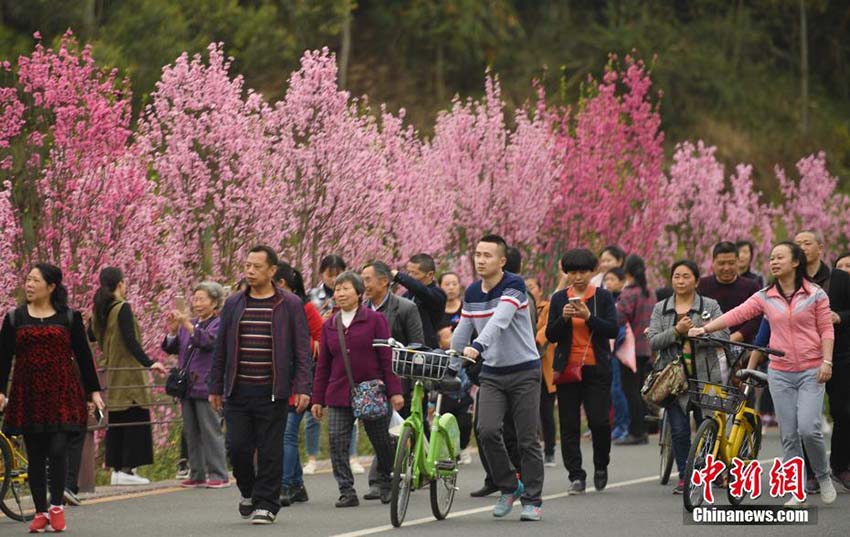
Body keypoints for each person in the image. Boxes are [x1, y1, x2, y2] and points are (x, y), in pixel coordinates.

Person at [690, 241, 837, 507]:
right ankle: (798, 491)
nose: (774, 262)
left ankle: (823, 475)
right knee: (789, 434)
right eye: (771, 258)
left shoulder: (816, 294)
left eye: (780, 257)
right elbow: (737, 314)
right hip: (780, 372)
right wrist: (705, 329)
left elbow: (827, 329)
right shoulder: (766, 296)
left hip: (811, 370)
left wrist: (827, 361)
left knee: (809, 428)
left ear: (795, 262)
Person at [208, 246, 313, 525]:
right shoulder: (233, 303)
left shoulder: (289, 304)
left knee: (269, 449)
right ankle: (249, 491)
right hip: (238, 390)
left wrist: (303, 386)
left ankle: (267, 503)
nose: (250, 271)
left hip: (273, 390)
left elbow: (302, 349)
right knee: (237, 447)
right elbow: (221, 348)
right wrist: (215, 386)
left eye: (257, 266)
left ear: (272, 271)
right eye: (248, 265)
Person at [0, 264, 105, 533]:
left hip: (62, 392)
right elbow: (2, 360)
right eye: (28, 280)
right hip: (29, 393)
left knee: (58, 448)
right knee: (35, 454)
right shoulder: (14, 319)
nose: (29, 285)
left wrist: (93, 391)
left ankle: (56, 505)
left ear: (51, 286)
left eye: (36, 280)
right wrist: (0, 391)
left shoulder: (69, 318)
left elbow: (83, 356)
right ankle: (40, 512)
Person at [451, 234, 544, 521]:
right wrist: (450, 363)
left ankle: (532, 500)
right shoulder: (472, 293)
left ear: (502, 261)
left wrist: (477, 348)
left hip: (525, 371)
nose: (480, 260)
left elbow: (499, 321)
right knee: (487, 431)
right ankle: (509, 486)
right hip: (492, 373)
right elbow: (463, 331)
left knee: (527, 439)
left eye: (487, 255)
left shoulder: (514, 285)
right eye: (477, 254)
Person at [310, 271, 403, 508]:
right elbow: (323, 366)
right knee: (337, 441)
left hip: (372, 392)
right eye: (337, 289)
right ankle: (346, 490)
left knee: (381, 440)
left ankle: (385, 481)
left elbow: (386, 358)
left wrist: (395, 391)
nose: (340, 293)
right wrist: (317, 399)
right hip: (340, 393)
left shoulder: (375, 320)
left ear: (359, 293)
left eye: (346, 289)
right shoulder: (330, 325)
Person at [647, 260, 727, 494]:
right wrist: (676, 332)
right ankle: (685, 476)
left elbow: (723, 332)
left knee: (708, 426)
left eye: (686, 277)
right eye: (676, 277)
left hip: (705, 377)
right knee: (680, 431)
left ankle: (705, 472)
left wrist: (700, 332)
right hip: (673, 381)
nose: (680, 281)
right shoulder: (661, 308)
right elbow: (653, 341)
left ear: (696, 280)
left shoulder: (710, 305)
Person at [546, 248, 619, 495]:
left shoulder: (602, 297)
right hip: (567, 370)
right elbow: (550, 335)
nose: (577, 277)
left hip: (596, 369)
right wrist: (563, 319)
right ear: (566, 273)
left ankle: (601, 464)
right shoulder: (558, 299)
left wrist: (588, 317)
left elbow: (611, 330)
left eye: (583, 272)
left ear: (592, 272)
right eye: (573, 272)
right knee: (568, 425)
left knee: (599, 421)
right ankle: (576, 475)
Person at [90, 267, 167, 486]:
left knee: (119, 418)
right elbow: (131, 341)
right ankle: (127, 468)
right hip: (130, 375)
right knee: (135, 417)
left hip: (114, 374)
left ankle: (117, 470)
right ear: (121, 284)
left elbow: (90, 335)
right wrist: (151, 362)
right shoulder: (122, 308)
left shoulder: (100, 311)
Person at [360, 261, 424, 499]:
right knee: (380, 430)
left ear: (384, 281)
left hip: (399, 379)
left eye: (368, 279)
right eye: (362, 279)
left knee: (393, 430)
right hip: (369, 381)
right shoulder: (361, 311)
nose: (364, 284)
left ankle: (384, 479)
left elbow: (416, 345)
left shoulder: (405, 308)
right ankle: (385, 478)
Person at [162, 282, 229, 489]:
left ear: (215, 302)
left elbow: (208, 342)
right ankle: (197, 473)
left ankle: (218, 473)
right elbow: (172, 348)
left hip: (207, 384)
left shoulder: (219, 324)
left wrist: (188, 326)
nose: (197, 303)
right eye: (195, 299)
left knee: (210, 430)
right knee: (191, 431)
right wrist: (173, 331)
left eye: (202, 299)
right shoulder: (188, 324)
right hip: (187, 386)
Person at [305, 254, 360, 474]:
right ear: (321, 274)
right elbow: (305, 327)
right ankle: (311, 458)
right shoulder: (312, 296)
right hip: (318, 357)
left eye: (339, 275)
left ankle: (353, 455)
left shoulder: (353, 296)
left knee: (351, 409)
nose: (334, 280)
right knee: (313, 411)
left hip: (345, 358)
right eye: (330, 275)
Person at [274, 262, 323, 506]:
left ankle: (284, 485)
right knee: (284, 432)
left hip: (300, 378)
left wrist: (308, 346)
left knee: (287, 433)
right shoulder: (270, 307)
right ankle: (297, 485)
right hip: (277, 378)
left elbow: (322, 339)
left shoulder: (306, 308)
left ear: (281, 283)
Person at [614, 254, 655, 445]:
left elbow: (619, 318)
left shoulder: (629, 293)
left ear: (627, 272)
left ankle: (636, 431)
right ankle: (642, 430)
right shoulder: (649, 293)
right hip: (647, 347)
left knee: (630, 390)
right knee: (638, 389)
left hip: (630, 349)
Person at [697, 242, 762, 346]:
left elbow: (757, 318)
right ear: (713, 262)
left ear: (737, 262)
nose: (726, 268)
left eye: (731, 263)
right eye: (721, 263)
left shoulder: (752, 286)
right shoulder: (701, 285)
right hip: (707, 344)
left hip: (742, 346)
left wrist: (735, 337)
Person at [526, 275, 557, 467]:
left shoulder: (547, 307)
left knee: (546, 411)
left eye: (532, 286)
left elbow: (544, 330)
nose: (529, 290)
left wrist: (533, 339)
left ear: (539, 289)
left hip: (544, 366)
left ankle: (550, 450)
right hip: (526, 365)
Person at [825, 268, 850, 489]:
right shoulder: (801, 281)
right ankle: (809, 472)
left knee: (842, 412)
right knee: (806, 420)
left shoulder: (842, 281)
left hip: (842, 356)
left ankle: (840, 465)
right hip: (809, 357)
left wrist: (840, 316)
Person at [392, 253, 447, 349]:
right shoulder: (407, 295)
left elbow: (422, 291)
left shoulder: (437, 294)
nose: (410, 276)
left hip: (426, 350)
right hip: (405, 348)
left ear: (430, 274)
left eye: (415, 273)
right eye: (408, 272)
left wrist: (398, 276)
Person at [604, 268, 630, 442]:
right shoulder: (608, 299)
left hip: (622, 350)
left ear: (622, 282)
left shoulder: (623, 300)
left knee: (618, 389)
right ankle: (617, 425)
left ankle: (623, 426)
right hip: (609, 350)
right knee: (613, 389)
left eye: (613, 279)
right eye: (607, 280)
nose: (609, 283)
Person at [438, 272, 463, 350]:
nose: (451, 288)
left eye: (454, 284)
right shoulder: (434, 309)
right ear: (439, 287)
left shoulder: (466, 309)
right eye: (447, 284)